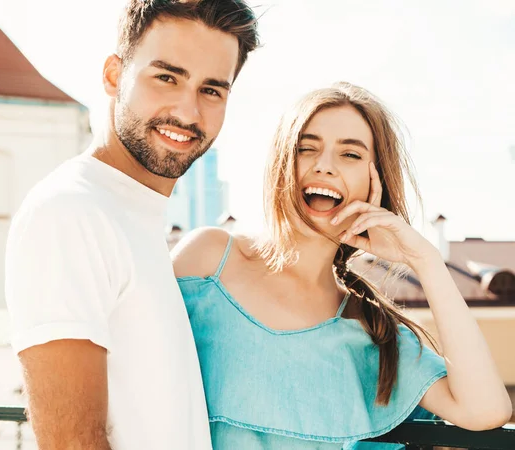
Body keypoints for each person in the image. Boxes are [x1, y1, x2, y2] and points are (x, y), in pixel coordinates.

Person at [172, 82, 512, 449]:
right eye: (307, 148)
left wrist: (424, 260)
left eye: (350, 154)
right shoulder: (211, 259)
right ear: (283, 162)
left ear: (374, 181)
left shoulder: (370, 329)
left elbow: (485, 410)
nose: (324, 166)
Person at [4, 1, 259, 449]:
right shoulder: (72, 212)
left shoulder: (133, 219)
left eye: (212, 90)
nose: (187, 111)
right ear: (113, 75)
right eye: (167, 77)